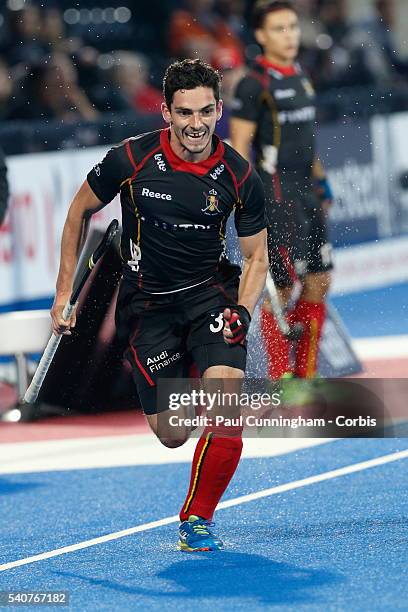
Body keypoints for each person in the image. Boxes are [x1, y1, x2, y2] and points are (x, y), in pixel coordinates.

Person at [51, 59, 268, 551]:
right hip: (147, 308)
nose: (197, 124)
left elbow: (256, 258)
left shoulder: (237, 173)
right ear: (166, 111)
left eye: (206, 111)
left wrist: (245, 312)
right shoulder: (131, 158)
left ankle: (196, 519)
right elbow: (79, 211)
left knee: (226, 412)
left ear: (218, 110)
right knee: (172, 433)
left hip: (211, 296)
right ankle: (192, 367)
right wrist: (64, 292)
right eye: (185, 112)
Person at [230, 0, 334, 380]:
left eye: (292, 27)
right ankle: (280, 377)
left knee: (319, 280)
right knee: (284, 286)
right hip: (275, 197)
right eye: (279, 29)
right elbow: (240, 146)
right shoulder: (252, 84)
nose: (289, 35)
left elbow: (307, 140)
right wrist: (243, 200)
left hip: (308, 194)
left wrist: (322, 183)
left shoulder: (301, 75)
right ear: (261, 36)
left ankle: (305, 377)